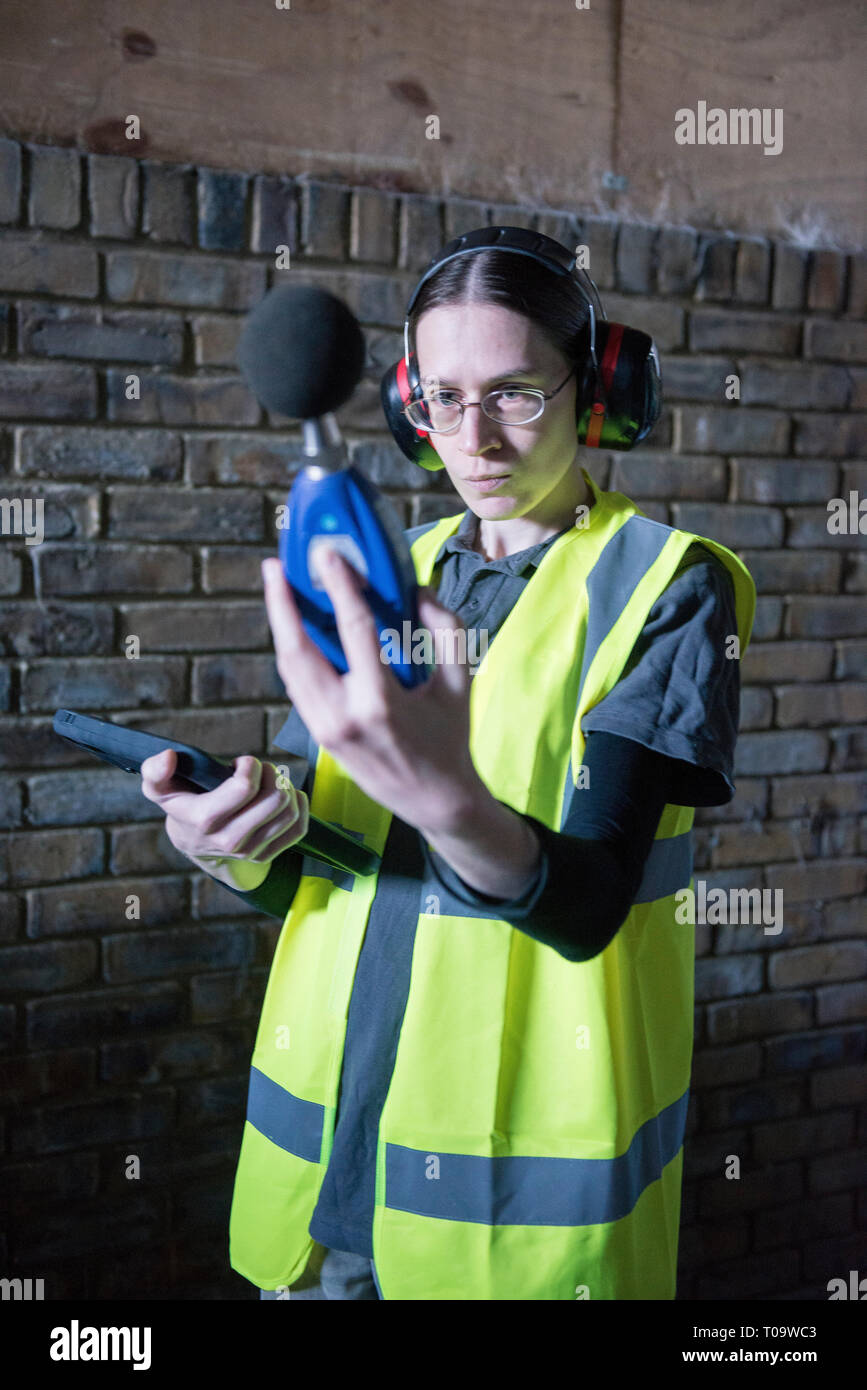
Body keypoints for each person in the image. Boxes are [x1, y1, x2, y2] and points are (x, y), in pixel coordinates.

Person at [141, 231, 756, 1300]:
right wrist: (230, 841)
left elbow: (592, 901)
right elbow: (316, 865)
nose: (476, 440)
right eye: (442, 397)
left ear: (599, 392)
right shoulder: (397, 567)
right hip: (326, 1202)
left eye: (515, 393)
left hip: (510, 1235)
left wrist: (451, 802)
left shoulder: (666, 586)